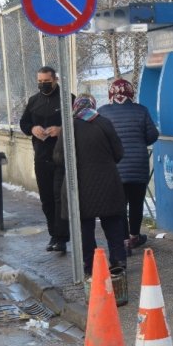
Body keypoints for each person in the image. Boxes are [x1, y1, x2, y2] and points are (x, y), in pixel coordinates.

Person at [54, 95, 127, 277]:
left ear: (76, 107)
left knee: (85, 229)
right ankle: (118, 260)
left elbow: (59, 157)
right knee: (112, 224)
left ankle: (91, 265)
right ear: (93, 105)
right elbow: (118, 153)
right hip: (107, 183)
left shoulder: (69, 127)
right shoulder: (104, 123)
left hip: (79, 186)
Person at [98, 78, 159, 255]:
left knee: (119, 205)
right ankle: (134, 236)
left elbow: (100, 138)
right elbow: (152, 135)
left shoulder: (103, 112)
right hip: (138, 165)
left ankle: (123, 240)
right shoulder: (141, 111)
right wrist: (139, 141)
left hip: (115, 167)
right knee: (136, 203)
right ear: (131, 92)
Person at [19, 66, 69, 253]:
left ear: (55, 79)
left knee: (59, 197)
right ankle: (53, 235)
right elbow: (24, 123)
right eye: (40, 82)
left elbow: (77, 122)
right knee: (46, 198)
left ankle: (62, 237)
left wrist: (61, 129)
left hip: (61, 156)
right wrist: (33, 129)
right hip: (41, 156)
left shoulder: (67, 99)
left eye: (46, 82)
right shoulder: (34, 101)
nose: (43, 85)